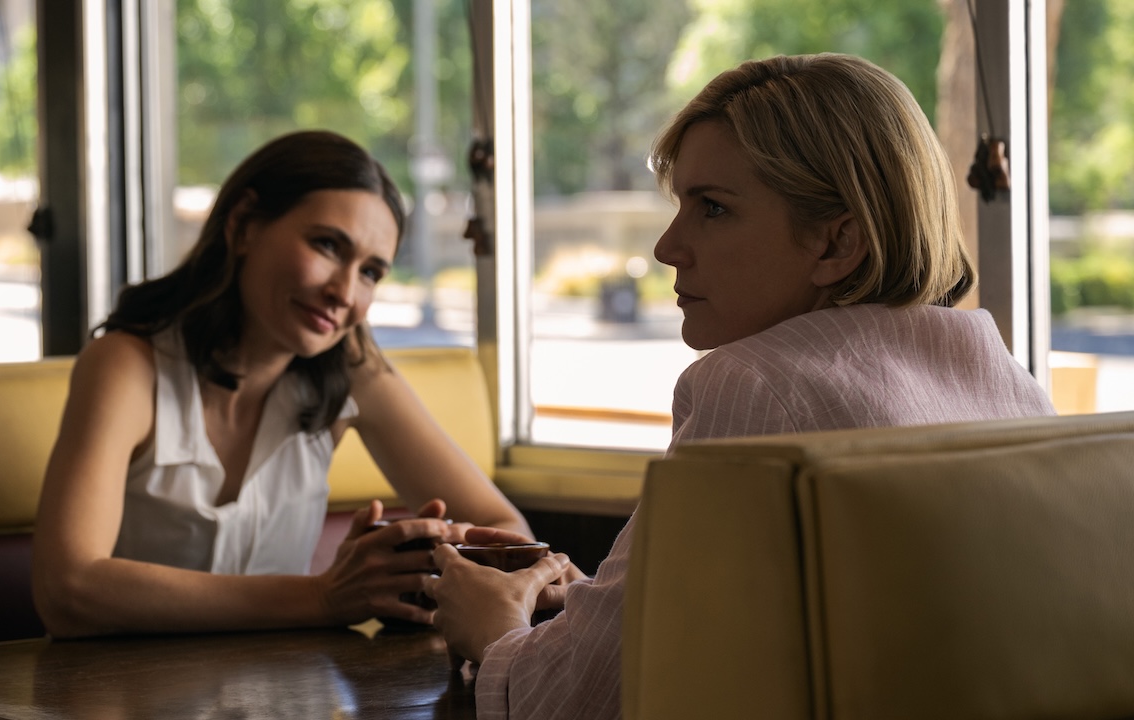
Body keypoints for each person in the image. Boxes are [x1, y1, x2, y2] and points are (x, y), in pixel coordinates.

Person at [422, 53, 1057, 719]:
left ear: (837, 243)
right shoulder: (1007, 384)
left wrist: (494, 628)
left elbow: (572, 704)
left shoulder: (755, 385)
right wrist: (608, 609)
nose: (667, 247)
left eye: (714, 209)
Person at [32, 130, 530, 638]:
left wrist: (426, 558)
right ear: (244, 225)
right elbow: (67, 591)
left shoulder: (353, 369)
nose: (344, 292)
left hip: (286, 684)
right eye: (327, 245)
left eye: (370, 272)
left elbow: (509, 532)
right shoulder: (126, 364)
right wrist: (324, 596)